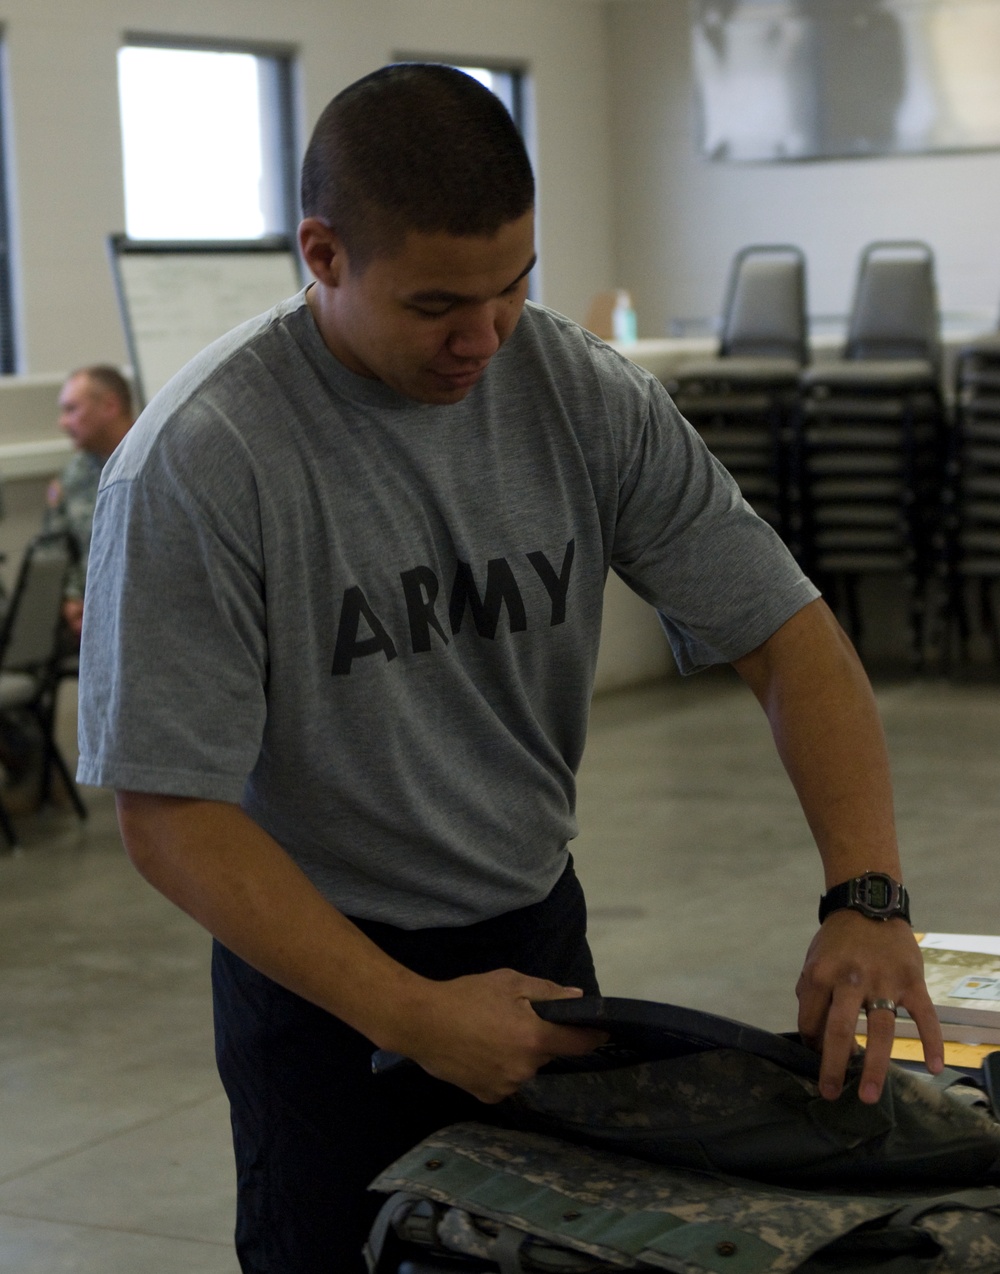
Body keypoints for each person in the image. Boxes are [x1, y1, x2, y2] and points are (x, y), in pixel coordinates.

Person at [76, 64, 943, 1274]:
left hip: (540, 943)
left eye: (513, 286)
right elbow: (169, 810)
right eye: (437, 302)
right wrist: (407, 1011)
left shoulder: (583, 395)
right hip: (327, 989)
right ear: (322, 254)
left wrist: (867, 895)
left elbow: (789, 636)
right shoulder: (202, 462)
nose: (481, 338)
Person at [44, 365, 134, 640]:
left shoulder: (155, 461)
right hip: (92, 618)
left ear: (109, 406)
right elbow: (54, 546)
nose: (63, 422)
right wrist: (71, 597)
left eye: (72, 409)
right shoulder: (72, 477)